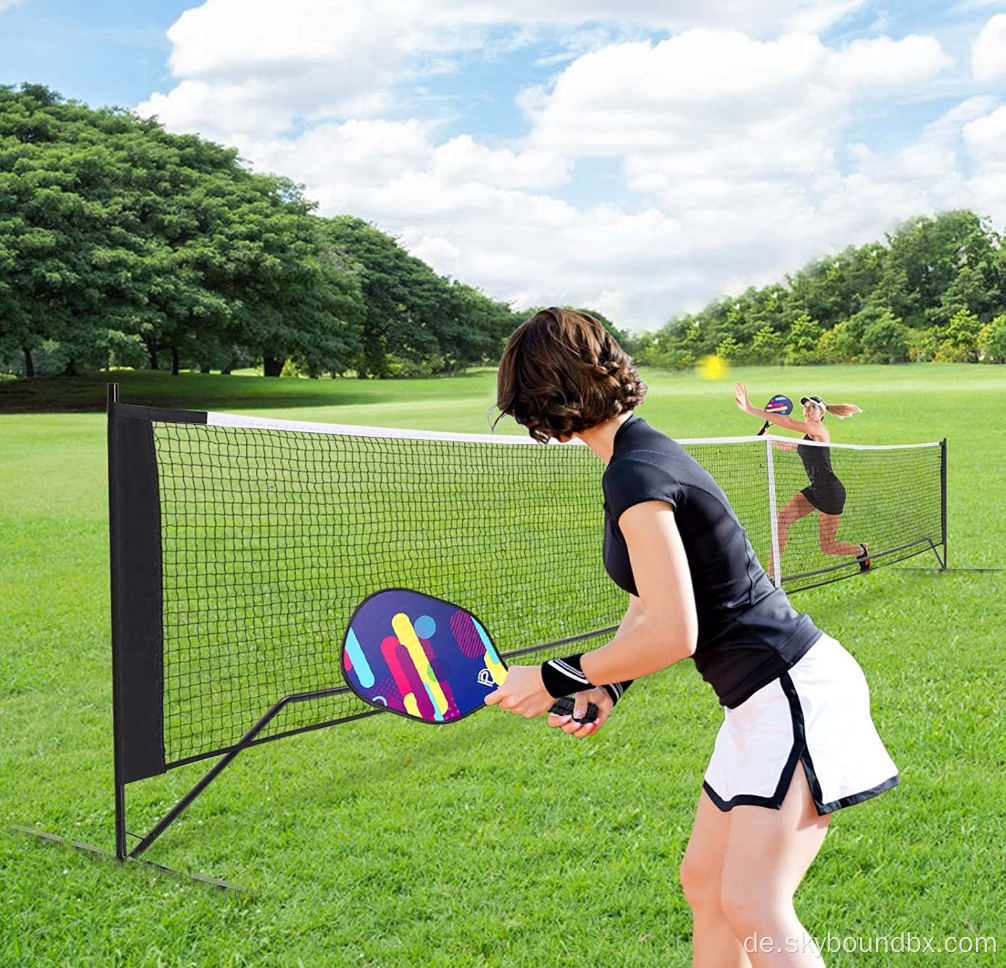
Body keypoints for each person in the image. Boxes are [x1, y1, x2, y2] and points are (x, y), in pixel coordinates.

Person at [484, 308, 899, 967]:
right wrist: (608, 681)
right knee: (706, 886)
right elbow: (650, 602)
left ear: (542, 400)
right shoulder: (634, 457)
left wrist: (555, 677)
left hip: (792, 690)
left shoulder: (635, 472)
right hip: (759, 699)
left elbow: (677, 632)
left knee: (755, 903)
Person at [734, 385, 871, 581]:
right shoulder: (807, 434)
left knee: (827, 546)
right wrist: (767, 438)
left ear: (821, 413)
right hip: (815, 490)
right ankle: (772, 576)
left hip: (831, 493)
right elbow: (789, 446)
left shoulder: (818, 429)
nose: (807, 410)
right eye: (805, 406)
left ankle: (861, 550)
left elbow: (788, 422)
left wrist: (751, 409)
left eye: (812, 407)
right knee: (781, 521)